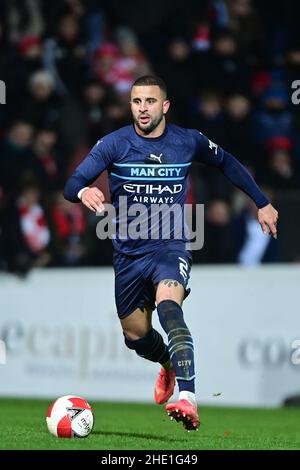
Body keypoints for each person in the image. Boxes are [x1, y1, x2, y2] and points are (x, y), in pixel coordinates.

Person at [64, 75, 278, 431]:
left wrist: (262, 202)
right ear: (130, 105)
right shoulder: (114, 144)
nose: (142, 109)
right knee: (135, 337)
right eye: (136, 102)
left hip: (171, 244)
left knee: (169, 307)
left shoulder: (187, 141)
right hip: (129, 254)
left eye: (149, 102)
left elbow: (227, 162)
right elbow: (72, 183)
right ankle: (166, 363)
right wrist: (84, 190)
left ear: (164, 106)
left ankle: (188, 396)